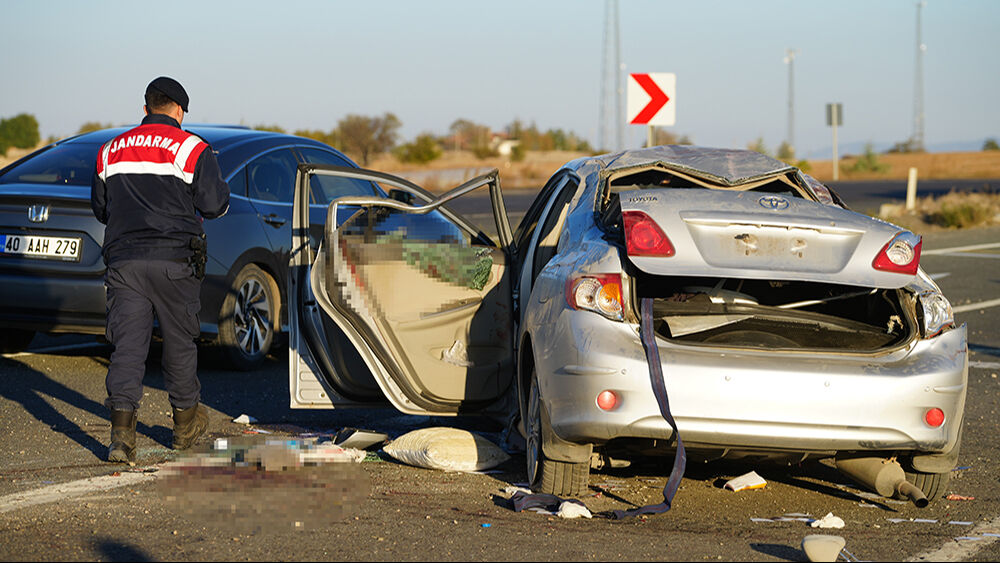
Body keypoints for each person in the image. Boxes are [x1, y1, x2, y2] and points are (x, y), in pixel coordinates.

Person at [91, 76, 230, 464]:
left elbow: (101, 209)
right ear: (179, 110)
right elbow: (215, 205)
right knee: (179, 342)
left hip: (124, 263)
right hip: (175, 262)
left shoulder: (111, 149)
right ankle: (185, 426)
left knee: (127, 348)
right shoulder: (192, 148)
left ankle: (121, 438)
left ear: (146, 108)